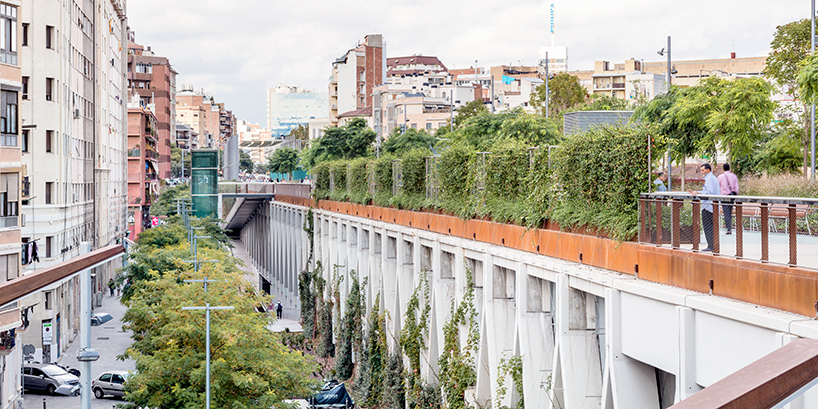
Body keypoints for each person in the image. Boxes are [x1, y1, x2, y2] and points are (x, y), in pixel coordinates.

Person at [691, 163, 720, 252]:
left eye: (703, 170)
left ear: (708, 170)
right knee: (711, 226)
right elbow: (706, 191)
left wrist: (698, 193)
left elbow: (709, 192)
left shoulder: (710, 179)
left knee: (708, 226)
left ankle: (712, 246)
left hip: (709, 206)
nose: (702, 172)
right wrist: (698, 192)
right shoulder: (712, 178)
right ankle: (713, 245)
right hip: (711, 206)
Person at [718, 163, 739, 235]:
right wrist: (735, 194)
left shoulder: (720, 177)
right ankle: (729, 227)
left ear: (723, 168)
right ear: (729, 168)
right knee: (730, 211)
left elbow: (718, 187)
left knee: (726, 212)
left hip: (724, 196)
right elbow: (736, 188)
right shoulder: (734, 176)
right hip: (731, 196)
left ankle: (729, 228)